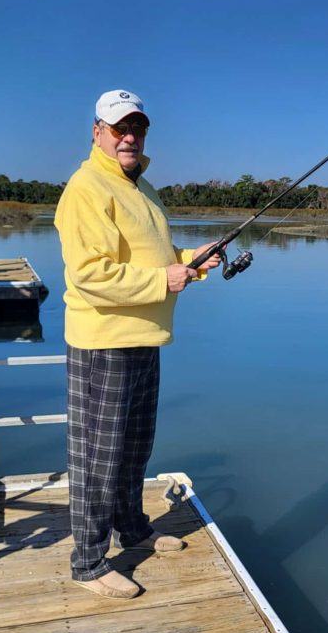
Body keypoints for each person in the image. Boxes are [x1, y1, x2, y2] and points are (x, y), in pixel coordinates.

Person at [54, 90, 221, 599]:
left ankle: (133, 530)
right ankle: (88, 562)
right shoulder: (86, 188)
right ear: (97, 131)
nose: (129, 136)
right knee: (97, 458)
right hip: (104, 342)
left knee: (133, 448)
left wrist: (192, 259)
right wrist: (162, 280)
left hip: (144, 337)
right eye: (119, 127)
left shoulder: (141, 186)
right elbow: (89, 275)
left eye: (137, 128)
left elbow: (156, 255)